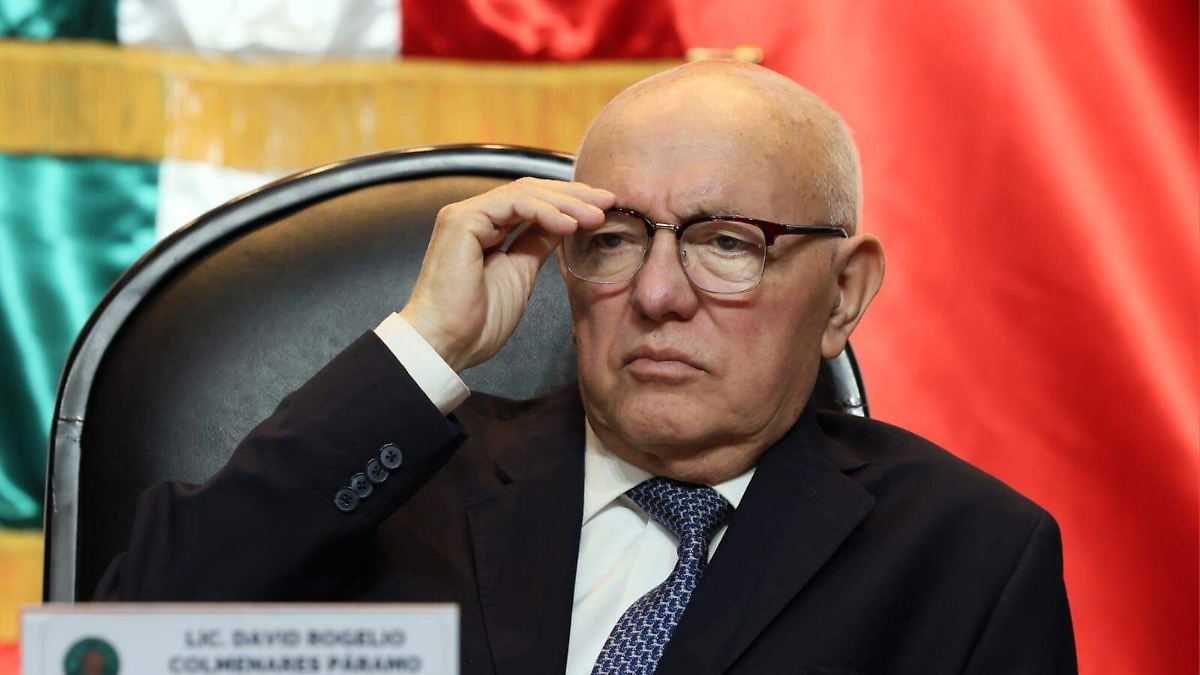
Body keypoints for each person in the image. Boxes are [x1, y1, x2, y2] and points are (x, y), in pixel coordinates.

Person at [96, 60, 1077, 674]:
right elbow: (113, 650)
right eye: (612, 239)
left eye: (726, 242)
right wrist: (422, 350)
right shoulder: (411, 486)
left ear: (843, 294)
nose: (657, 293)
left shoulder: (967, 556)